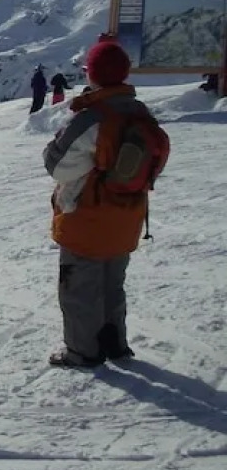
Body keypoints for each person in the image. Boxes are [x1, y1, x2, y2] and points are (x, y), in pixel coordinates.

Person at [41, 38, 165, 368]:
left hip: (87, 218)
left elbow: (58, 165)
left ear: (94, 75)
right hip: (127, 217)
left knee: (79, 289)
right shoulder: (140, 113)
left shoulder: (93, 118)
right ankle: (114, 343)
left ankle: (83, 351)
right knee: (113, 284)